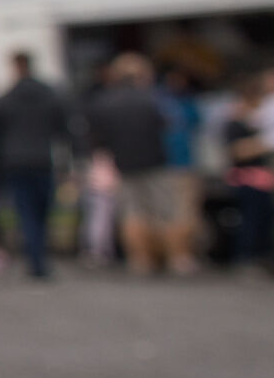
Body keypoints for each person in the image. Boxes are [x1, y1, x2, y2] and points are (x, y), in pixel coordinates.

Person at [87, 53, 179, 277]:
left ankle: (140, 260)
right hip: (155, 162)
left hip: (123, 163)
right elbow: (168, 126)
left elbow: (98, 137)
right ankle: (174, 259)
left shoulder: (104, 101)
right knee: (166, 212)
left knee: (131, 213)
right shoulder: (153, 98)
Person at [0, 50, 69, 280]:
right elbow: (62, 128)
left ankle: (34, 259)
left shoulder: (7, 97)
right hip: (42, 160)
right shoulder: (49, 94)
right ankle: (39, 260)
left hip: (15, 161)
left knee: (26, 213)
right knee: (42, 212)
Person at [221, 69, 274, 276]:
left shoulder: (256, 122)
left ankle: (260, 258)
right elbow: (237, 151)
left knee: (262, 221)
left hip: (263, 180)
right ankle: (245, 258)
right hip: (248, 179)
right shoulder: (235, 122)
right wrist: (262, 145)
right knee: (250, 221)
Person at [154, 65, 205, 272]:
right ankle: (179, 257)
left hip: (161, 165)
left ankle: (158, 257)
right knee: (181, 213)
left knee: (163, 213)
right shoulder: (178, 103)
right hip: (178, 165)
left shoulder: (158, 101)